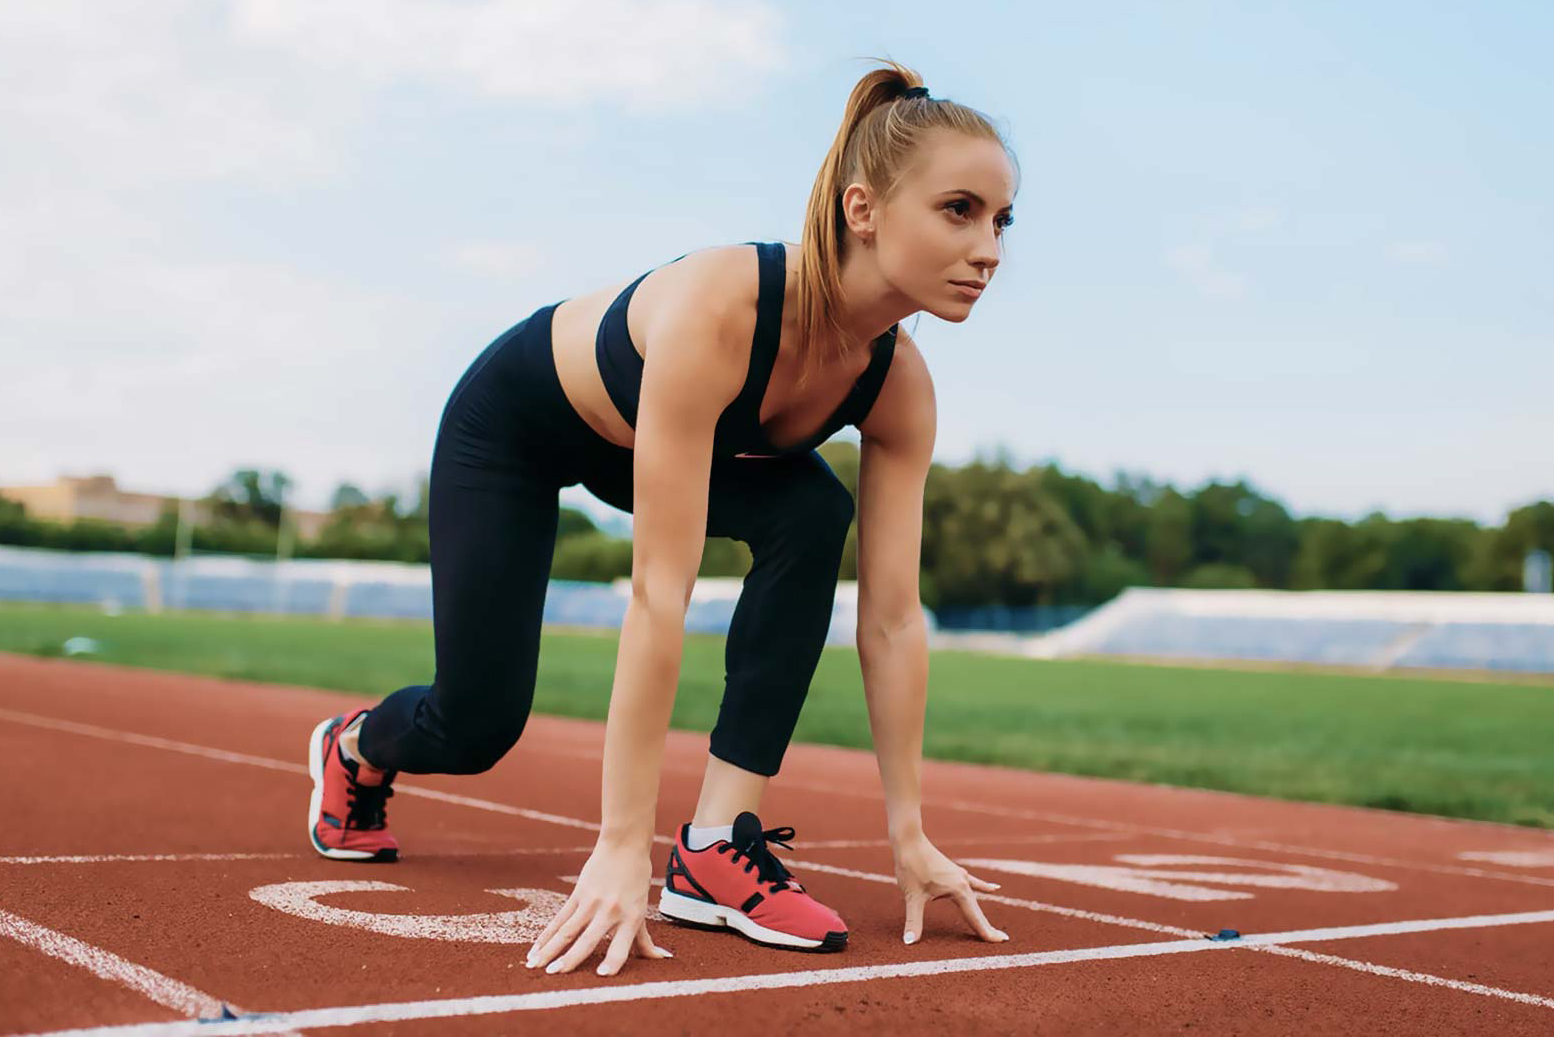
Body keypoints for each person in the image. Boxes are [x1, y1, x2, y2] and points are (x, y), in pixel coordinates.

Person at [305, 58, 1018, 977]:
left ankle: (718, 841)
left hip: (665, 444)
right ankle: (356, 747)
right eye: (959, 209)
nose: (989, 246)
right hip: (519, 428)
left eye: (1002, 220)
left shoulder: (899, 386)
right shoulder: (724, 307)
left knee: (811, 508)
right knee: (475, 723)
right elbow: (658, 593)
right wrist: (616, 844)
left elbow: (890, 618)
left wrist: (910, 834)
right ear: (863, 209)